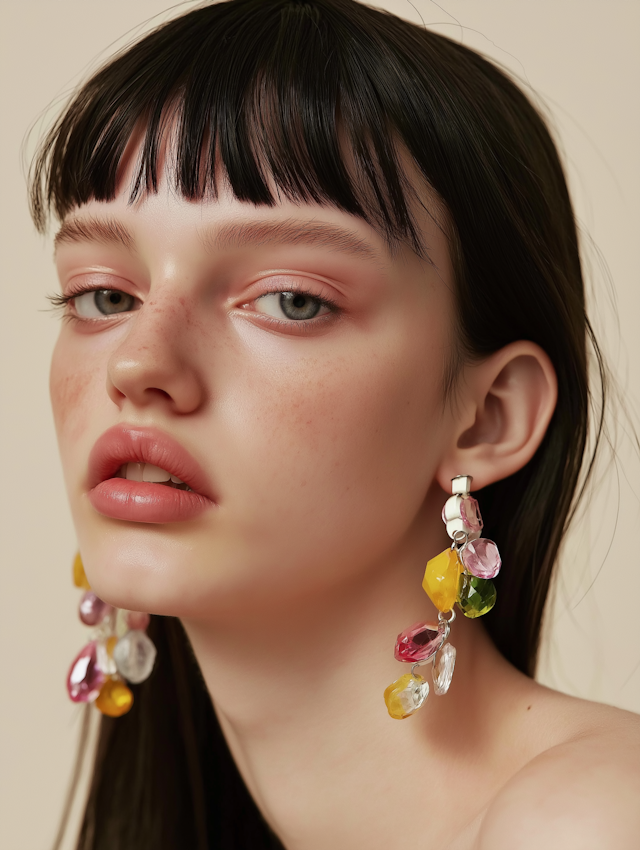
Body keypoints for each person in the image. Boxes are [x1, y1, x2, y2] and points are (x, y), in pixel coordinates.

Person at [30, 0, 640, 847]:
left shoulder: (589, 822)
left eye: (292, 299)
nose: (139, 365)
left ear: (488, 418)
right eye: (105, 295)